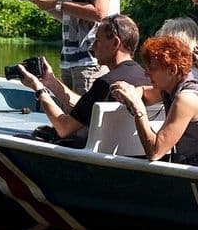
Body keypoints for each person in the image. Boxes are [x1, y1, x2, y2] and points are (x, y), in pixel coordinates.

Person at [15, 14, 150, 147]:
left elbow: (64, 128)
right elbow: (85, 108)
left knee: (27, 138)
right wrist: (50, 82)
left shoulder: (106, 83)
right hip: (129, 152)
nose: (92, 47)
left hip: (95, 155)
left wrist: (39, 89)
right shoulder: (147, 79)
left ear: (115, 43)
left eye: (98, 40)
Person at [112, 35, 198, 167]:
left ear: (172, 70)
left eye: (152, 68)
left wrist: (138, 109)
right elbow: (143, 92)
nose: (146, 74)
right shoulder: (170, 87)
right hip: (193, 169)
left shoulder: (187, 99)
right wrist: (129, 94)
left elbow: (154, 152)